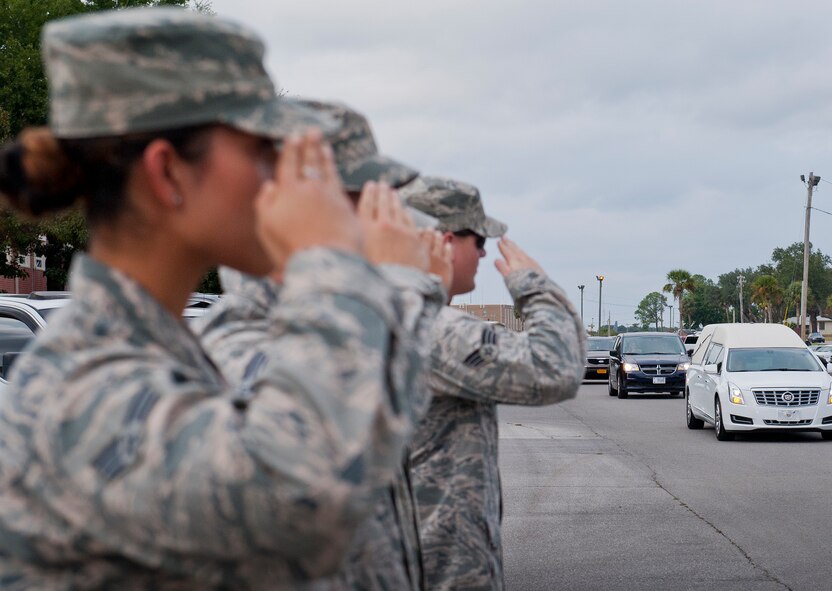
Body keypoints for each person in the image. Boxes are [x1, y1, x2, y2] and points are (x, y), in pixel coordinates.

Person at [0, 8, 433, 588]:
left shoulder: (152, 352)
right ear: (169, 173)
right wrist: (329, 260)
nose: (278, 178)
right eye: (260, 151)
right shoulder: (84, 389)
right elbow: (310, 510)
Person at [196, 99, 452, 590]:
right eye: (362, 200)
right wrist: (402, 285)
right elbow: (322, 471)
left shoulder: (342, 318)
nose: (387, 219)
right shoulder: (242, 338)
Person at [401, 176, 585, 590]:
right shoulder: (430, 327)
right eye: (479, 240)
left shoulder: (397, 313)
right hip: (440, 570)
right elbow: (555, 368)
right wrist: (536, 288)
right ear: (446, 241)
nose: (485, 252)